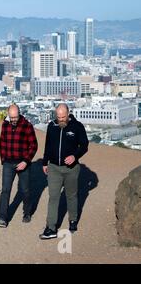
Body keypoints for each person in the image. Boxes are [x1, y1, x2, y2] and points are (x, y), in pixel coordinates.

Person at [39, 103, 89, 240]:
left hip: (71, 169)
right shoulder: (52, 126)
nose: (61, 120)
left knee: (71, 196)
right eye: (59, 117)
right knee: (53, 197)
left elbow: (84, 145)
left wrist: (75, 156)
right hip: (54, 167)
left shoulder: (77, 126)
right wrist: (44, 162)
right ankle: (51, 228)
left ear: (68, 114)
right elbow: (48, 145)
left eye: (63, 117)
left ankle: (73, 220)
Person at [0, 104, 38, 228]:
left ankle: (27, 213)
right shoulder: (5, 124)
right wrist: (3, 160)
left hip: (23, 163)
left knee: (25, 190)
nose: (13, 120)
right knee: (5, 190)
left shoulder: (27, 125)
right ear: (8, 115)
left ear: (19, 114)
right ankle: (2, 218)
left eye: (15, 117)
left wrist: (26, 162)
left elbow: (34, 146)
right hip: (8, 163)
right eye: (11, 118)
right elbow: (2, 142)